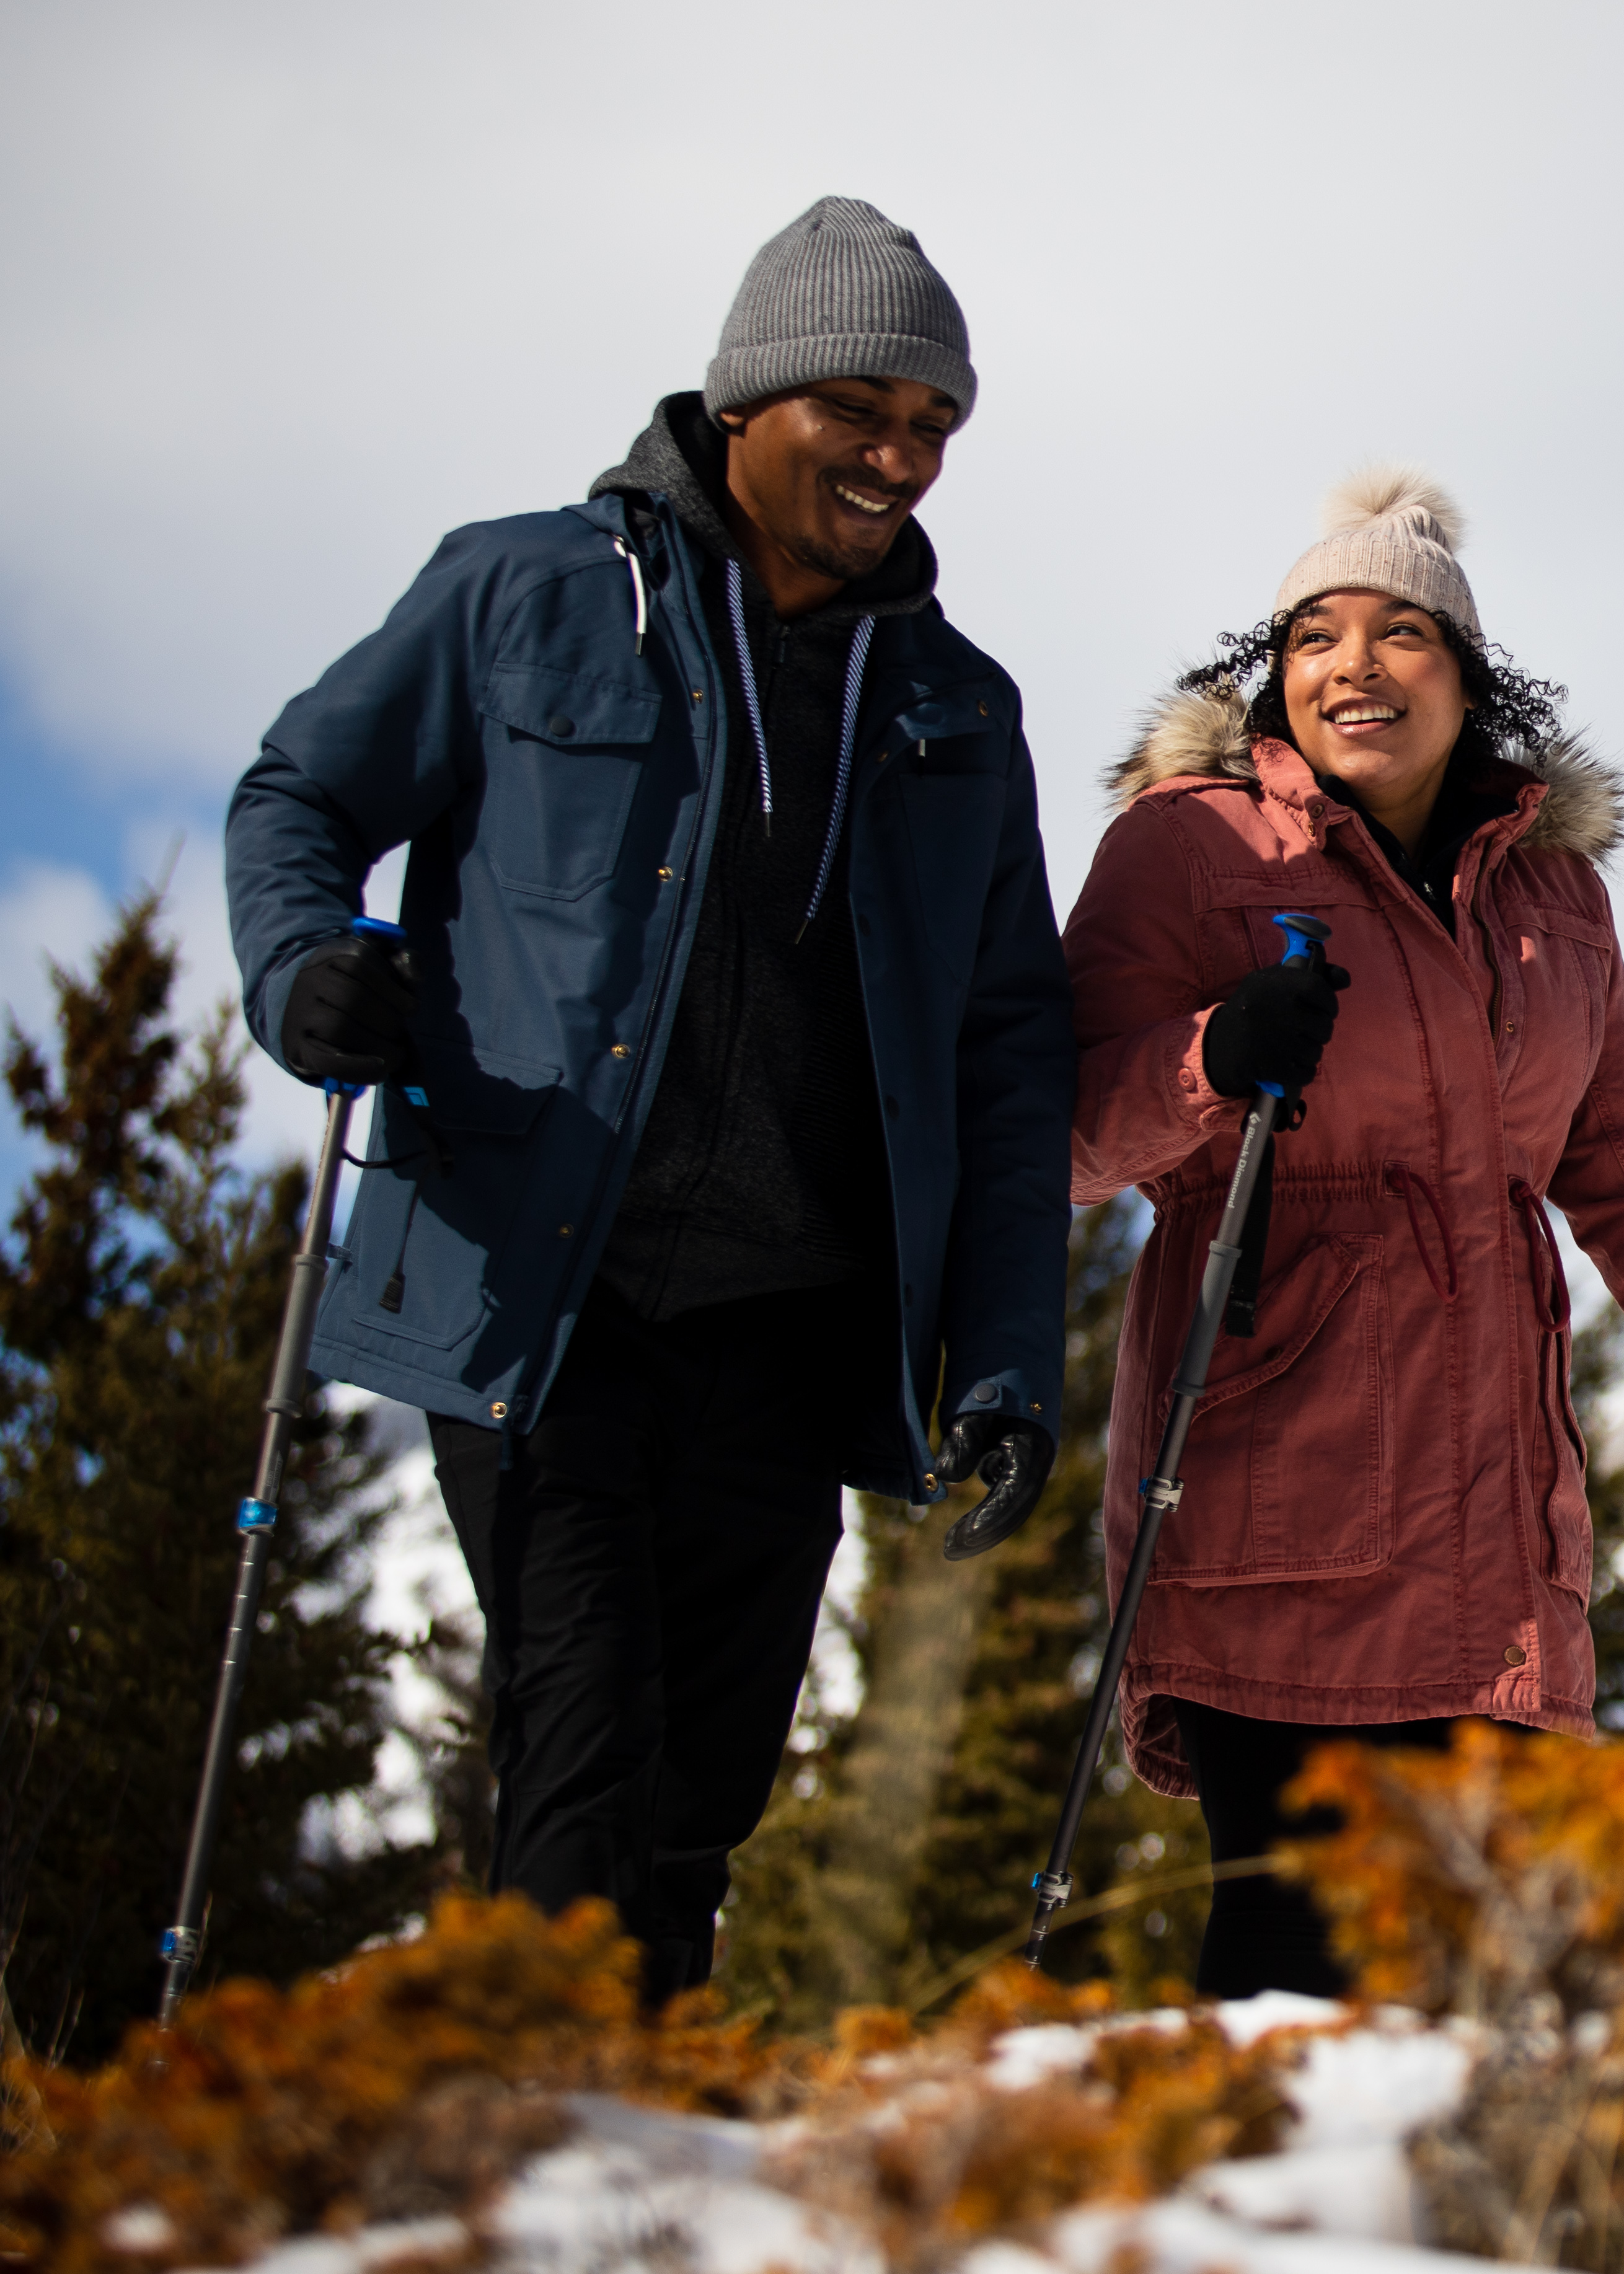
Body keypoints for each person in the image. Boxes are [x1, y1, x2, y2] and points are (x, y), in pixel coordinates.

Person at [224, 198, 1074, 2001]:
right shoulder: (525, 591)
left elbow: (1008, 1048)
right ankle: (532, 2143)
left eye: (936, 427)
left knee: (699, 1803)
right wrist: (304, 968)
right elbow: (297, 793)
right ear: (747, 398)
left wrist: (1002, 1353)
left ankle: (616, 2165)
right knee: (583, 1748)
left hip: (795, 1324)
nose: (902, 457)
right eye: (864, 406)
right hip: (544, 1284)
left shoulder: (955, 710)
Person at [1063, 468, 1624, 1998]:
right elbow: (1051, 1137)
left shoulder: (1554, 895)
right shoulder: (1192, 853)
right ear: (1273, 670)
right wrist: (1211, 1060)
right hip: (1272, 1492)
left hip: (1496, 1528)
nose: (1352, 667)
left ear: (1469, 674)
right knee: (1295, 1970)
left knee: (1468, 1988)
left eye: (1399, 635)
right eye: (1314, 635)